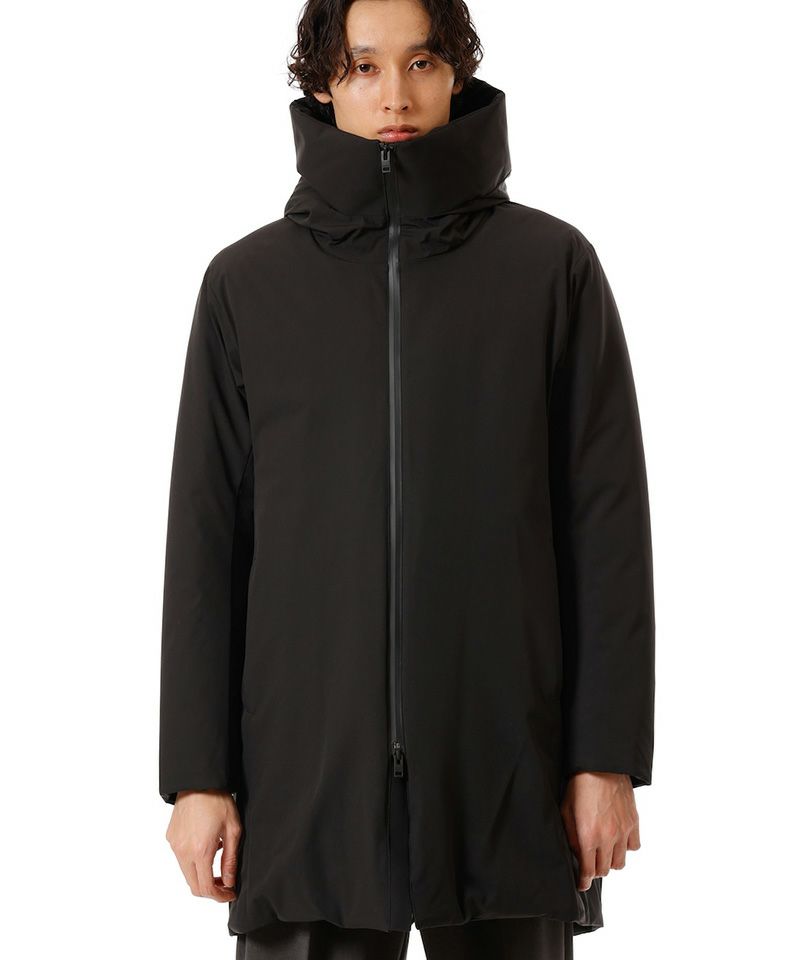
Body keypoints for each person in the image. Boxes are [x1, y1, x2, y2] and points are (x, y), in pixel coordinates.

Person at [158, 1, 656, 958]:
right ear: (322, 82)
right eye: (364, 67)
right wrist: (197, 775)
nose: (395, 95)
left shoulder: (552, 269)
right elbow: (208, 544)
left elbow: (606, 531)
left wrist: (605, 759)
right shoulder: (245, 286)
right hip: (305, 783)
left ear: (457, 72)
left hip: (507, 772)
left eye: (422, 63)